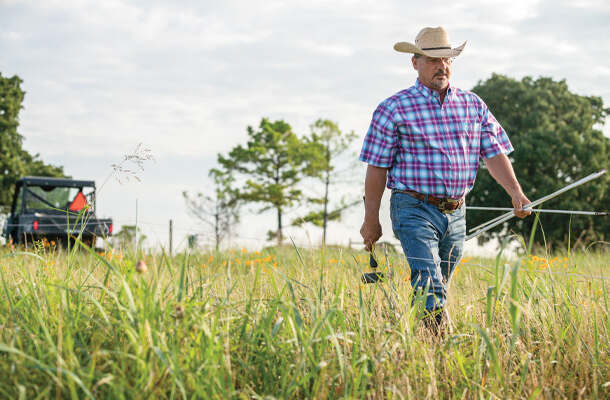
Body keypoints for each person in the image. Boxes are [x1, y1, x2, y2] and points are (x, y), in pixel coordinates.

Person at [359, 26, 531, 330]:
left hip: (456, 211)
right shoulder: (393, 108)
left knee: (436, 284)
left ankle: (416, 338)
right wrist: (371, 217)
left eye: (448, 59)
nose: (442, 66)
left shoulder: (472, 105)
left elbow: (494, 153)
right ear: (415, 62)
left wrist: (515, 192)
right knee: (430, 282)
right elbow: (377, 167)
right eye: (433, 60)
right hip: (413, 208)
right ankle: (440, 346)